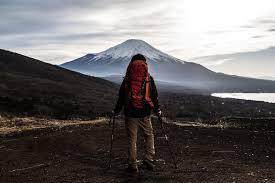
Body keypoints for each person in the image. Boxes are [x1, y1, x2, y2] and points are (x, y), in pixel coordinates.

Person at [113, 53, 161, 173]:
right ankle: (149, 158)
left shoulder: (128, 79)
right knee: (149, 135)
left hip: (130, 114)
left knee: (132, 139)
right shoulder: (149, 78)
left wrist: (116, 110)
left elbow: (122, 97)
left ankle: (133, 165)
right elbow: (154, 96)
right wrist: (157, 110)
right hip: (145, 113)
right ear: (145, 63)